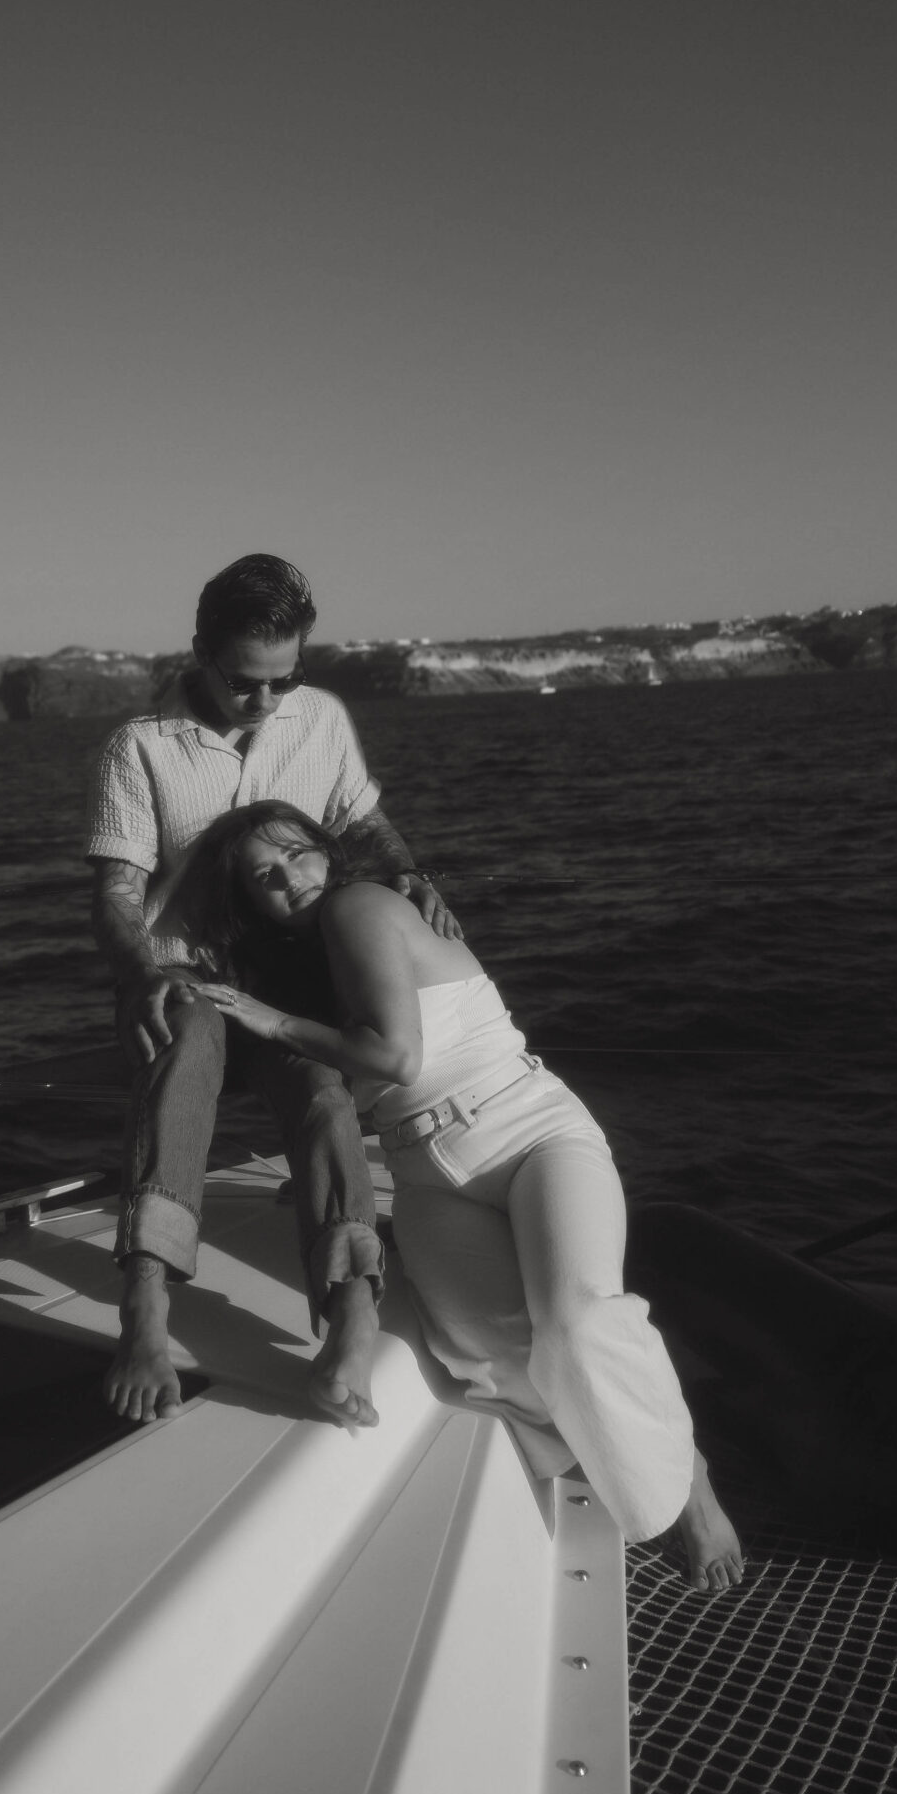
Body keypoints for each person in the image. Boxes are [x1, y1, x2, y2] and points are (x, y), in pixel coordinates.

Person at [180, 799, 746, 1592]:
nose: (290, 880)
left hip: (527, 1132)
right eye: (264, 878)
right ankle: (623, 1457)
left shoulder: (358, 904)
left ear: (328, 853)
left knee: (578, 1322)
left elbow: (398, 1058)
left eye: (298, 855)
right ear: (248, 905)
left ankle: (688, 1483)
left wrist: (270, 1021)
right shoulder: (315, 958)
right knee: (480, 1357)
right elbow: (344, 1091)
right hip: (420, 1166)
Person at [85, 553, 459, 1430]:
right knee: (185, 1059)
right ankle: (145, 1307)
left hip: (291, 986)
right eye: (245, 682)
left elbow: (362, 818)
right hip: (186, 976)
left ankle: (349, 1312)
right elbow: (112, 893)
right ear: (199, 653)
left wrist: (410, 873)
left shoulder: (318, 718)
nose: (266, 701)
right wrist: (145, 970)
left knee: (326, 1095)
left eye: (284, 680)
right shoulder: (138, 747)